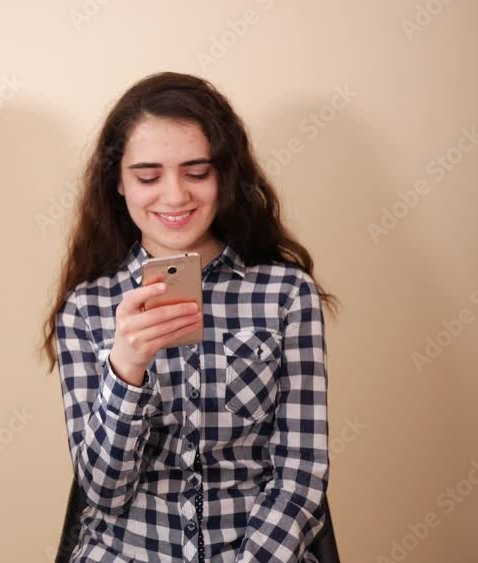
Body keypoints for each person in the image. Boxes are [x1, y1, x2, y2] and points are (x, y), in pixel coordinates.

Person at [43, 72, 336, 562]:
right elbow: (101, 493)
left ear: (225, 175)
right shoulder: (88, 308)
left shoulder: (285, 294)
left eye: (197, 172)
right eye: (148, 176)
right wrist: (127, 370)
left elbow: (300, 475)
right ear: (118, 182)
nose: (175, 196)